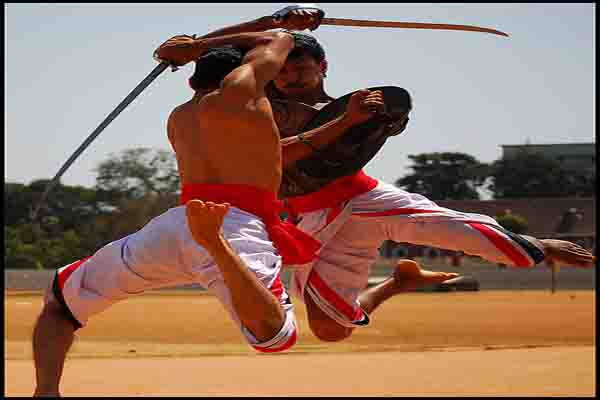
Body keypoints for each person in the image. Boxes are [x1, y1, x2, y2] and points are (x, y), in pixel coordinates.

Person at [31, 9, 328, 397]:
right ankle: (214, 246)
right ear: (244, 70)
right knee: (274, 337)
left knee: (59, 301)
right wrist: (285, 21)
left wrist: (195, 47)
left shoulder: (179, 117)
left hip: (176, 225)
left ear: (192, 79)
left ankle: (46, 392)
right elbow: (278, 38)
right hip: (231, 227)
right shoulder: (242, 93)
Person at [266, 31, 596, 342]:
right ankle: (398, 283)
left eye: (300, 68)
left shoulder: (354, 106)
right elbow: (215, 49)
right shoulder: (259, 106)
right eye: (280, 70)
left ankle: (538, 244)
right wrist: (275, 27)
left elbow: (389, 125)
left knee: (445, 226)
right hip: (311, 216)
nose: (289, 77)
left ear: (323, 67)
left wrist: (380, 114)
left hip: (362, 198)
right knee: (330, 330)